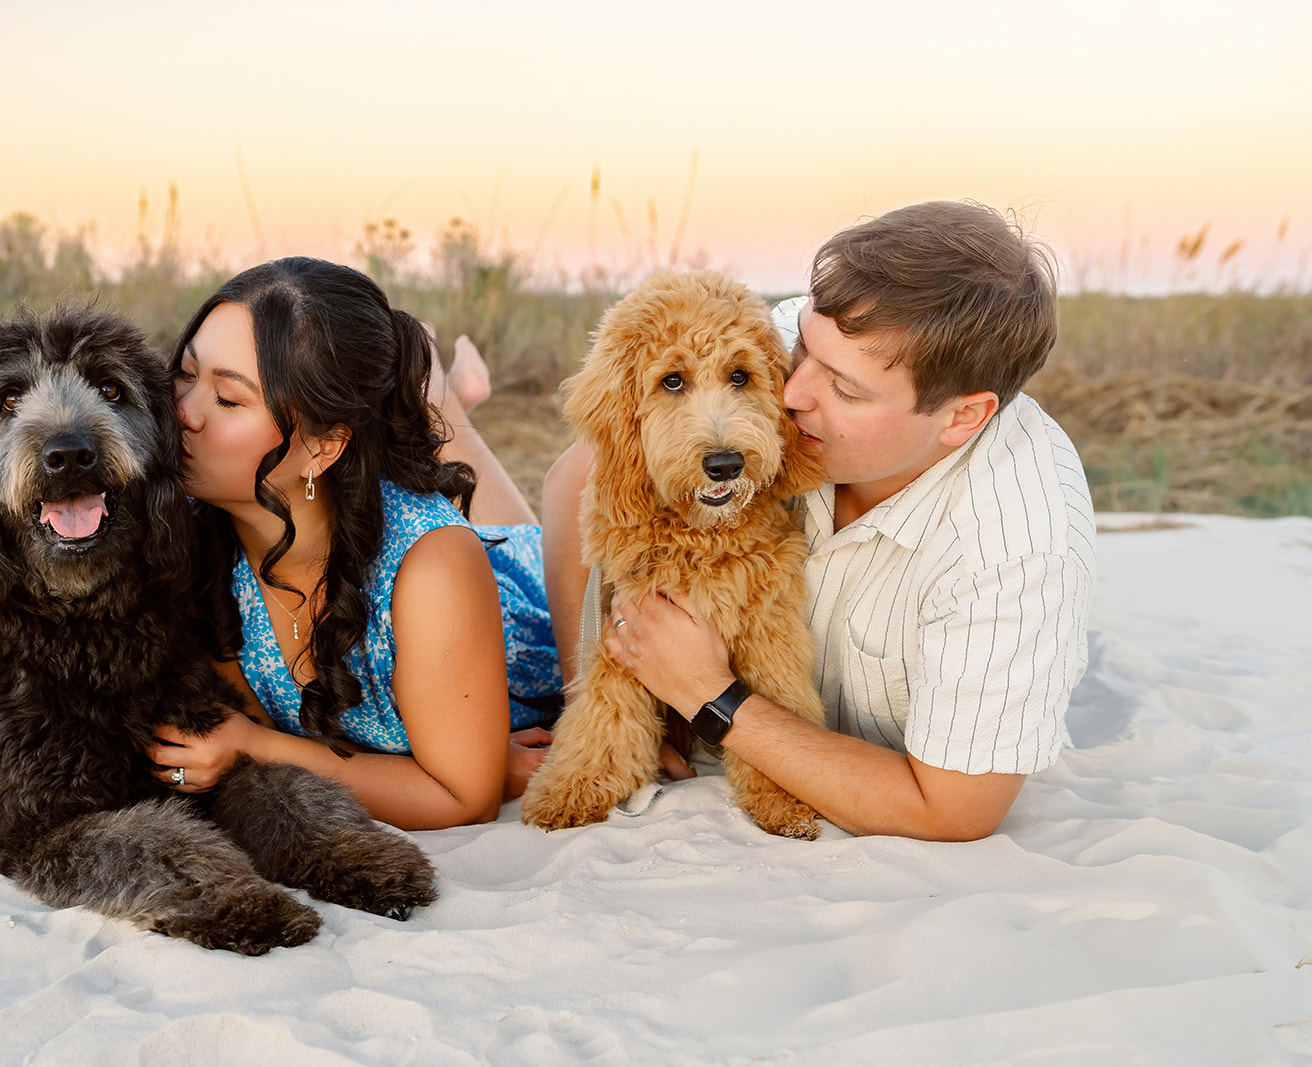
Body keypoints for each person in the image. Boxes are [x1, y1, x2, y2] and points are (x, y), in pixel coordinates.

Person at [541, 200, 1097, 842]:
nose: (793, 393)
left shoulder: (1018, 550)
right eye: (801, 347)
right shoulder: (792, 337)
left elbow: (951, 810)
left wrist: (706, 694)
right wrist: (603, 669)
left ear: (961, 418)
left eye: (846, 390)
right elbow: (577, 476)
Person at [145, 257, 561, 830]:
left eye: (229, 399)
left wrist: (253, 750)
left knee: (508, 535)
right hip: (370, 515)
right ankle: (444, 397)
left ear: (321, 448)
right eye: (187, 374)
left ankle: (444, 397)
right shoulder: (192, 531)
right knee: (451, 490)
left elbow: (464, 799)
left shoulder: (431, 566)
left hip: (526, 601)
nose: (183, 413)